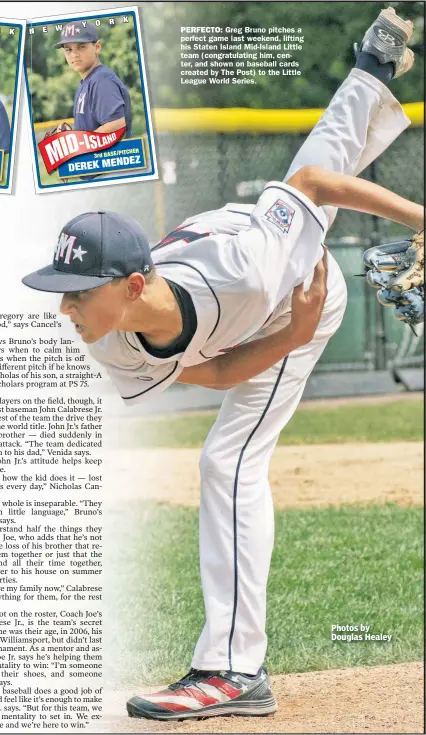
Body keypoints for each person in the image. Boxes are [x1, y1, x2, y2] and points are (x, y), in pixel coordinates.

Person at [23, 8, 423, 721]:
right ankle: (372, 65)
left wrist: (417, 225)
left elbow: (316, 184)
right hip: (267, 326)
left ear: (132, 287)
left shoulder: (245, 270)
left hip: (287, 292)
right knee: (224, 455)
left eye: (78, 293)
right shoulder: (112, 342)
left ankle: (234, 669)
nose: (65, 309)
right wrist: (284, 339)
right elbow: (206, 373)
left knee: (227, 462)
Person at [55, 20, 132, 137]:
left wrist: (78, 143)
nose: (74, 54)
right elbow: (92, 132)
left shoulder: (101, 80)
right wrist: (72, 136)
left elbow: (117, 126)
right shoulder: (86, 83)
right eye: (68, 49)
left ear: (97, 47)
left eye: (81, 47)